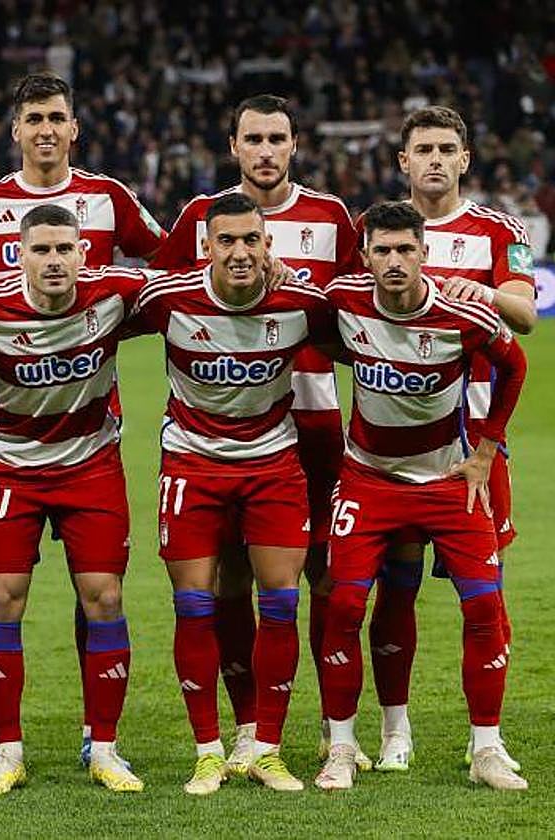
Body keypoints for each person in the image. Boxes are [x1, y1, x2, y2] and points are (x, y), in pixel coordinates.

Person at [0, 70, 167, 774]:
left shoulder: (107, 198)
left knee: (101, 590)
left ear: (74, 127)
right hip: (5, 429)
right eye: (35, 120)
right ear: (17, 130)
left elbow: (170, 261)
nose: (47, 130)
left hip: (92, 432)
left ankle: (100, 738)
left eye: (58, 118)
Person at [156, 94, 364, 772]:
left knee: (328, 580)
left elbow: (357, 306)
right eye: (254, 139)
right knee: (233, 582)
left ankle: (341, 732)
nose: (266, 151)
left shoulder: (331, 215)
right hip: (220, 423)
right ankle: (250, 729)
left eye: (278, 138)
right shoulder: (198, 216)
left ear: (295, 144)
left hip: (313, 418)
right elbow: (163, 290)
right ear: (234, 146)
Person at [0, 204, 150, 796]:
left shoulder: (115, 292)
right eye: (41, 250)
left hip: (91, 465)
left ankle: (104, 748)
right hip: (12, 467)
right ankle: (6, 749)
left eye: (64, 250)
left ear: (83, 254)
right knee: (2, 598)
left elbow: (185, 286)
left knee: (104, 597)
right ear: (20, 255)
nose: (54, 261)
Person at [316, 201, 528, 792]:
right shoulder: (343, 301)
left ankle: (486, 747)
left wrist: (485, 451)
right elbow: (307, 325)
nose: (394, 261)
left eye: (405, 249)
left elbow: (515, 366)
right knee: (345, 607)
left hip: (445, 483)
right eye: (382, 250)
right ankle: (341, 746)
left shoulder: (463, 316)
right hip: (368, 481)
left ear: (424, 253)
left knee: (485, 607)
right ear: (365, 257)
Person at [134, 192, 338, 794]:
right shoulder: (166, 299)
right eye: (227, 241)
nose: (241, 252)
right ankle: (208, 751)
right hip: (192, 466)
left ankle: (268, 749)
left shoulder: (303, 304)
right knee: (195, 605)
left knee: (280, 604)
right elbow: (84, 309)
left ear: (268, 244)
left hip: (274, 465)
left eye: (251, 239)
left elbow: (375, 328)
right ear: (205, 247)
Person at [360, 106, 538, 772]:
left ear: (465, 158)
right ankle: (394, 731)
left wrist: (480, 294)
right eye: (422, 149)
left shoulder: (499, 228)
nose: (435, 159)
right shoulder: (377, 228)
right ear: (402, 161)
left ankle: (485, 741)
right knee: (396, 587)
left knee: (485, 591)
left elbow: (526, 314)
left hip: (477, 438)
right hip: (399, 440)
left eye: (446, 148)